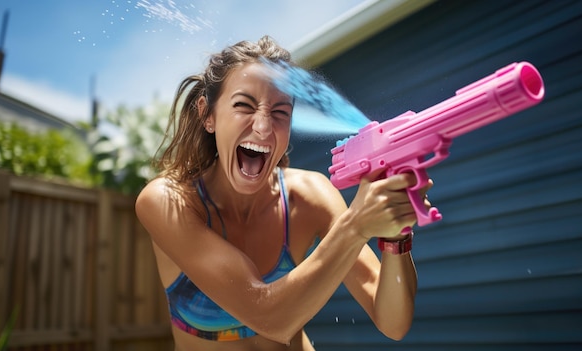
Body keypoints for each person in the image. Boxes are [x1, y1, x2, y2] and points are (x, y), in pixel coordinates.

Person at [135, 35, 432, 351]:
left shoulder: (310, 196)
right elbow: (269, 319)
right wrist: (355, 225)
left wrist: (397, 234)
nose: (263, 127)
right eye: (243, 105)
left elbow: (394, 324)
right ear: (208, 114)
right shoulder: (168, 202)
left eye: (280, 112)